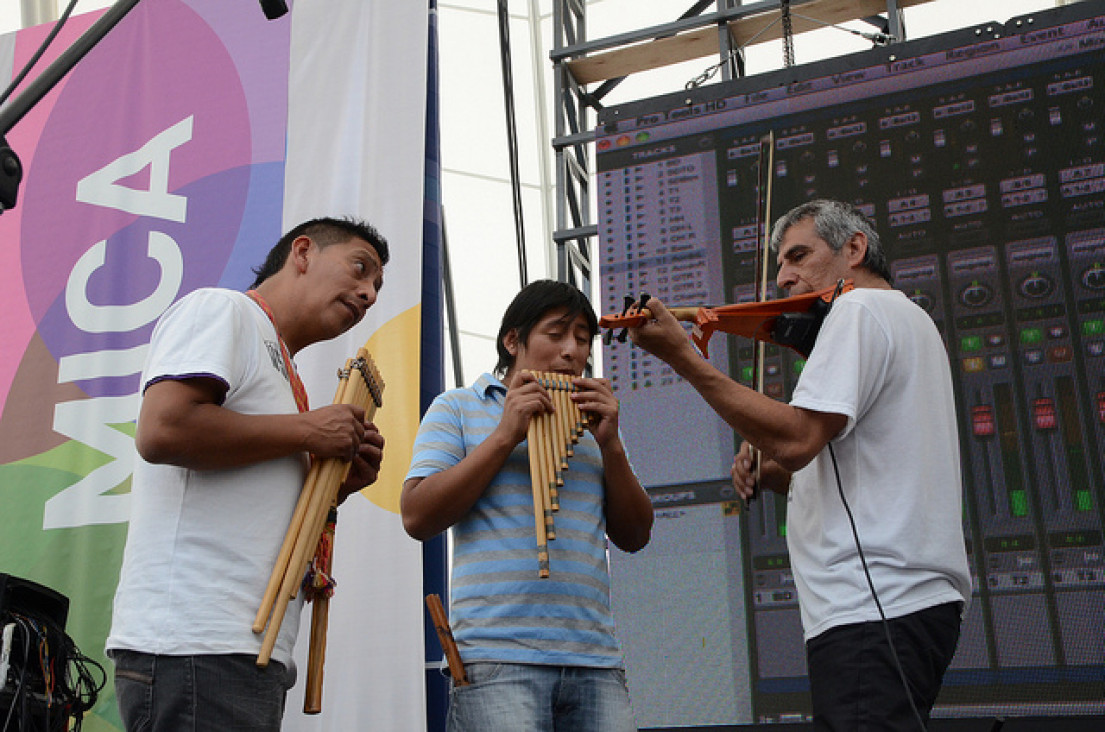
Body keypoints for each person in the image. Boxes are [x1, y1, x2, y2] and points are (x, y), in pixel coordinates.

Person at [629, 200, 971, 730]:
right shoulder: (912, 319)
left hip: (872, 604)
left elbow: (798, 438)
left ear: (854, 248)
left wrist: (683, 358)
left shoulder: (858, 311)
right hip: (906, 606)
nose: (785, 276)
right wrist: (777, 475)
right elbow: (855, 463)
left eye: (799, 256)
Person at [106, 217, 389, 731]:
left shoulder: (287, 372)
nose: (368, 293)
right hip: (196, 640)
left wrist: (335, 489)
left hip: (242, 648)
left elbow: (255, 494)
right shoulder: (224, 309)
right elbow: (163, 429)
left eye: (376, 287)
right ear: (302, 253)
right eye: (359, 268)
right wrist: (307, 431)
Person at [401, 279, 654, 732]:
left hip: (595, 658)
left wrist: (612, 445)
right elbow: (418, 515)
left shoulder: (592, 427)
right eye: (556, 334)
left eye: (581, 338)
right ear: (512, 340)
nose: (571, 352)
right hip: (496, 659)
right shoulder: (458, 408)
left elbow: (635, 536)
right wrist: (504, 435)